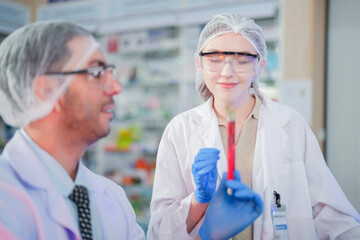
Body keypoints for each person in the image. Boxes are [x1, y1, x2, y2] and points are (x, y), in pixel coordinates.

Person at [148, 13, 360, 240]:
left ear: (259, 64)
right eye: (215, 59)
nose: (227, 72)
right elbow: (160, 230)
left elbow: (330, 216)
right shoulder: (179, 130)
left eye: (241, 59)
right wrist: (198, 200)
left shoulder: (290, 124)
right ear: (199, 62)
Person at [0, 20, 145, 239]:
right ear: (47, 89)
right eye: (96, 72)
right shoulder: (5, 201)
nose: (116, 88)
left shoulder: (113, 197)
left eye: (110, 72)